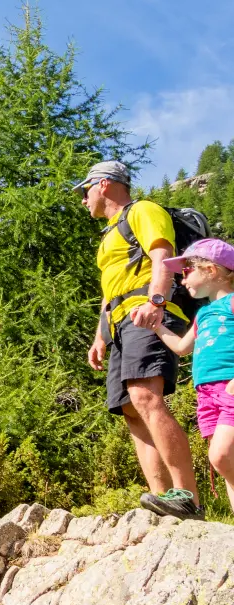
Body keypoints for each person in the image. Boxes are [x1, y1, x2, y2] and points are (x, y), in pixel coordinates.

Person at [74, 160, 201, 520]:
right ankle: (161, 500)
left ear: (103, 185)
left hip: (146, 314)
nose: (84, 200)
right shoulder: (109, 235)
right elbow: (109, 290)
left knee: (146, 396)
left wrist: (156, 302)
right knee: (131, 409)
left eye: (85, 191)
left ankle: (188, 498)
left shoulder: (143, 211)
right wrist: (100, 336)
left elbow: (163, 256)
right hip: (118, 324)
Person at [138, 239, 234, 512]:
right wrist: (157, 328)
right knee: (227, 464)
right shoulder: (203, 314)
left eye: (188, 271)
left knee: (222, 455)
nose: (182, 279)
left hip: (229, 387)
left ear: (212, 270)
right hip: (207, 395)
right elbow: (181, 348)